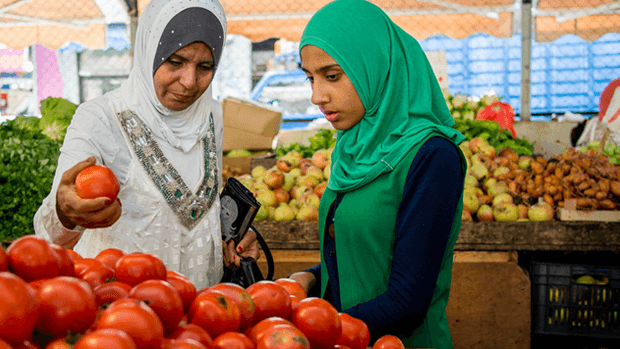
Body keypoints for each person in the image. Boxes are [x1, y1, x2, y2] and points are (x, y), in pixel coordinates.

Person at [33, 0, 259, 290]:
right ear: (150, 52)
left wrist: (232, 236)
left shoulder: (210, 114)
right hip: (122, 310)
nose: (189, 82)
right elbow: (47, 233)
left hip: (202, 311)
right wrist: (65, 210)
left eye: (205, 67)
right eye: (175, 62)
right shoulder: (100, 117)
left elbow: (195, 210)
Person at [287, 0, 467, 348]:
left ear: (375, 64)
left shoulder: (432, 157)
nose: (316, 96)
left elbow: (407, 300)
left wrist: (310, 329)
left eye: (332, 76)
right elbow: (366, 257)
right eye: (310, 78)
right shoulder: (352, 146)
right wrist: (310, 278)